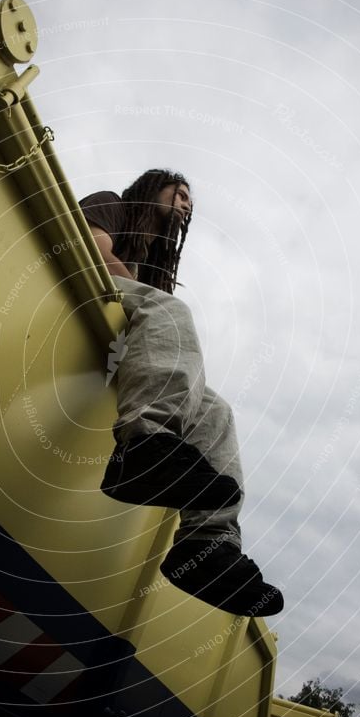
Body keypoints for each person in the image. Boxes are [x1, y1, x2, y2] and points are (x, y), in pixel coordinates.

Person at [79, 169, 283, 617]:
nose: (187, 203)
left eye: (191, 199)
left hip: (126, 340)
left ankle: (208, 546)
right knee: (172, 310)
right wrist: (156, 300)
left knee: (217, 411)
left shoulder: (155, 266)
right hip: (84, 288)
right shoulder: (112, 203)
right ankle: (145, 443)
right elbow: (92, 249)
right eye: (181, 193)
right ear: (154, 188)